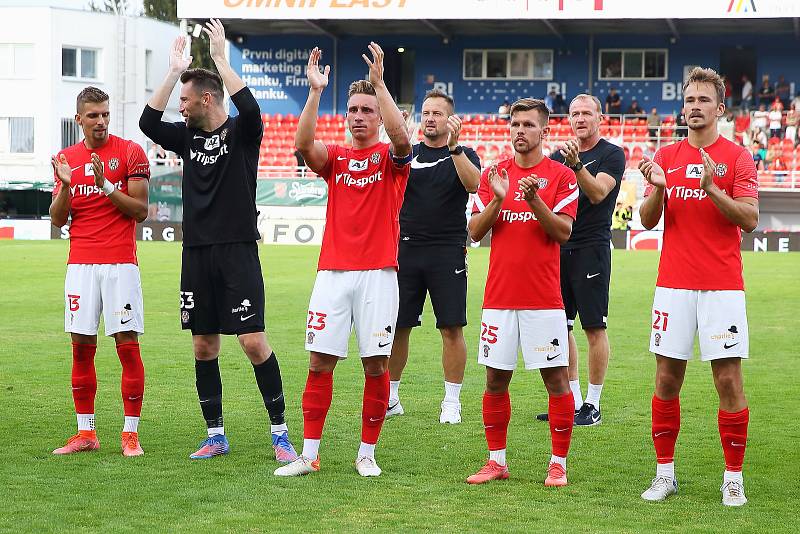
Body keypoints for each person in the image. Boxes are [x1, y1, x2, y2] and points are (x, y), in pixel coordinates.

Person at [139, 21, 297, 462]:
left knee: (251, 342)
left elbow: (251, 109)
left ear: (207, 98)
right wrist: (174, 73)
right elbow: (148, 122)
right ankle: (216, 434)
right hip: (196, 253)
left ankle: (281, 433)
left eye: (186, 101)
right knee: (204, 345)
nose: (181, 109)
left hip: (237, 249)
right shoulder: (187, 136)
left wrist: (222, 61)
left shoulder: (242, 135)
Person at [274, 43, 412, 478]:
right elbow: (302, 145)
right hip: (332, 274)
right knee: (319, 362)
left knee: (376, 365)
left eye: (366, 109)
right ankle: (309, 455)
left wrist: (380, 85)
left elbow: (404, 140)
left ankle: (366, 453)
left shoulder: (390, 160)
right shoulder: (335, 157)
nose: (358, 116)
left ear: (378, 114)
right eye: (353, 108)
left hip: (378, 275)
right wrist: (315, 92)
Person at [638, 67, 759, 507]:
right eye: (689, 100)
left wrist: (711, 189)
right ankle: (665, 474)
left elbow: (749, 219)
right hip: (673, 285)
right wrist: (657, 189)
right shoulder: (666, 156)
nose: (694, 107)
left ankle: (733, 477)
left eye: (703, 100)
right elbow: (649, 220)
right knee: (667, 379)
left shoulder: (738, 158)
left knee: (727, 380)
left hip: (722, 287)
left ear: (720, 109)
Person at [465, 98, 578, 487]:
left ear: (545, 132)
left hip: (543, 299)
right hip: (498, 298)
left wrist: (533, 201)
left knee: (556, 380)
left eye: (529, 125)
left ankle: (558, 463)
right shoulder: (494, 173)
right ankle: (497, 461)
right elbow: (475, 231)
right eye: (515, 124)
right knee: (495, 380)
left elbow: (562, 232)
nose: (519, 131)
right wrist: (499, 197)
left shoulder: (562, 176)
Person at [50, 86, 150, 457]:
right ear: (79, 119)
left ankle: (130, 433)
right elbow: (58, 219)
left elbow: (140, 210)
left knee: (126, 347)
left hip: (120, 264)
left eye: (105, 114)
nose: (101, 122)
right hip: (80, 265)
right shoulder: (66, 158)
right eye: (93, 116)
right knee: (81, 349)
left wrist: (107, 186)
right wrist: (66, 185)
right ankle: (86, 432)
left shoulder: (130, 152)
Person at [387, 89, 481, 424]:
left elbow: (474, 186)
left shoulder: (464, 153)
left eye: (437, 114)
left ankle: (451, 401)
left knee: (452, 328)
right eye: (426, 113)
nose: (429, 118)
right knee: (399, 326)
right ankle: (391, 397)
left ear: (450, 120)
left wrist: (455, 147)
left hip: (447, 250)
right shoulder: (406, 154)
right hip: (406, 249)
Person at [534, 94, 626, 426]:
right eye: (575, 114)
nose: (580, 118)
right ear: (568, 119)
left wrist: (575, 165)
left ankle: (593, 403)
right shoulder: (558, 156)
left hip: (591, 247)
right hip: (558, 248)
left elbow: (599, 193)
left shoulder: (612, 154)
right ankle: (571, 402)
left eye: (587, 113)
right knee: (561, 326)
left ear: (600, 118)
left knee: (594, 327)